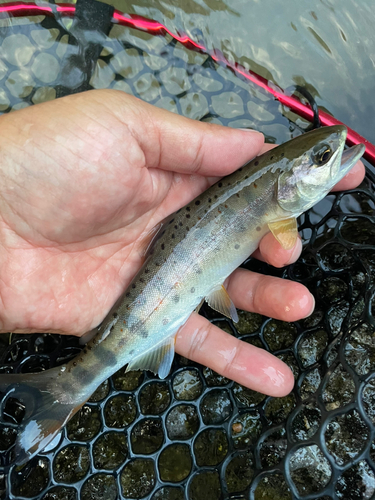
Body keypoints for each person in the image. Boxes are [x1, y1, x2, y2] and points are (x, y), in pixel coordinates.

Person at [0, 89, 365, 397]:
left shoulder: (276, 202)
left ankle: (73, 383)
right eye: (321, 158)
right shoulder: (275, 206)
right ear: (284, 181)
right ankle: (70, 387)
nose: (335, 149)